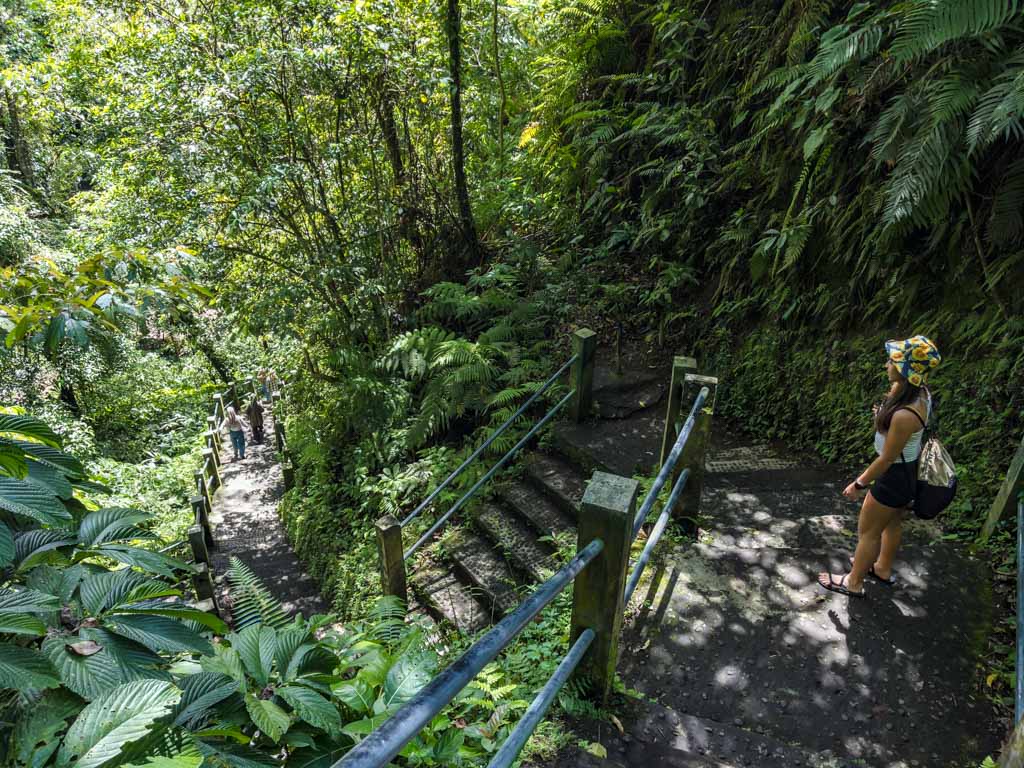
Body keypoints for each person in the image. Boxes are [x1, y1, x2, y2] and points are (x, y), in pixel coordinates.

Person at [818, 335, 942, 598]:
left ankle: (853, 582)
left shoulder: (904, 415)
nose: (887, 364)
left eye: (893, 361)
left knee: (868, 532)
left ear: (906, 370)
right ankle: (882, 568)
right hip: (907, 473)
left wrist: (859, 483)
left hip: (894, 475)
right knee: (891, 523)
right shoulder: (921, 395)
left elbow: (886, 458)